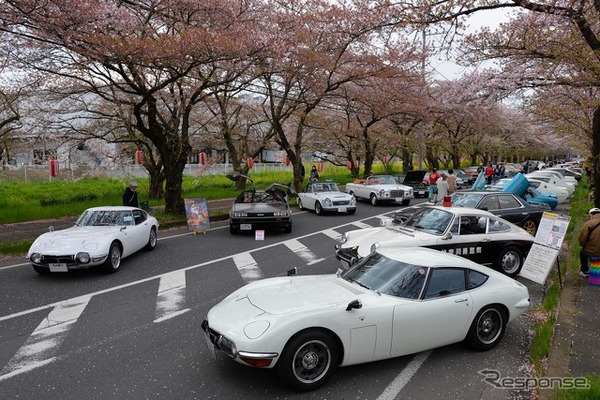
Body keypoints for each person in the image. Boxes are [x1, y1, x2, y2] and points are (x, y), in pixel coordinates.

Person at [578, 207, 600, 277]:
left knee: (582, 252)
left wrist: (582, 244)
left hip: (594, 251)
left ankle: (585, 271)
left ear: (591, 215)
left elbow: (582, 240)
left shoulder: (588, 224)